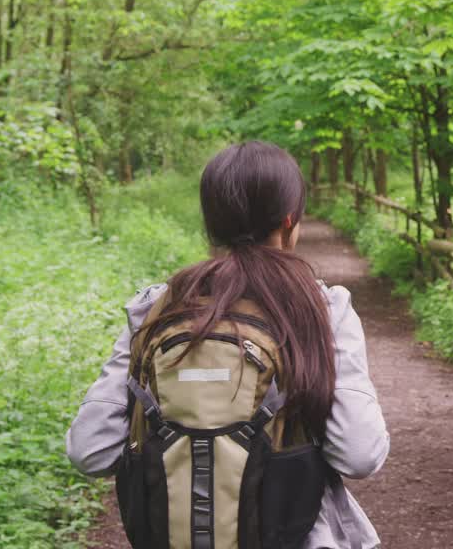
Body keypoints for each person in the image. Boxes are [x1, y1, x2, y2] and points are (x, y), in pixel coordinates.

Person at [66, 141, 389, 549]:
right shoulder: (323, 309)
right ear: (290, 221)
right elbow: (359, 455)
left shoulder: (158, 308)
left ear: (209, 223)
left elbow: (89, 450)